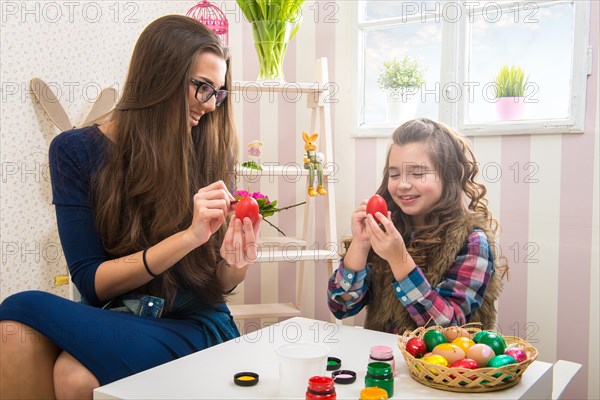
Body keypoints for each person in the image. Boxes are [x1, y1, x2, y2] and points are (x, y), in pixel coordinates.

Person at [0, 15, 261, 399]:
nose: (210, 106)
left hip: (194, 323)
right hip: (121, 318)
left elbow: (217, 286)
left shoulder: (207, 149)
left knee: (52, 347)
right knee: (18, 324)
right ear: (160, 76)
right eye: (202, 88)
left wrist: (236, 264)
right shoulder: (74, 152)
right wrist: (188, 236)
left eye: (218, 93)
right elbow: (91, 282)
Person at [327, 118, 507, 334]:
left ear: (448, 176)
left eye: (418, 173)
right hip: (386, 361)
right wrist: (361, 244)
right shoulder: (389, 229)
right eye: (394, 174)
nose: (403, 184)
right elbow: (342, 306)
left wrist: (398, 258)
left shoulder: (472, 241)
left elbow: (448, 327)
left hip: (442, 366)